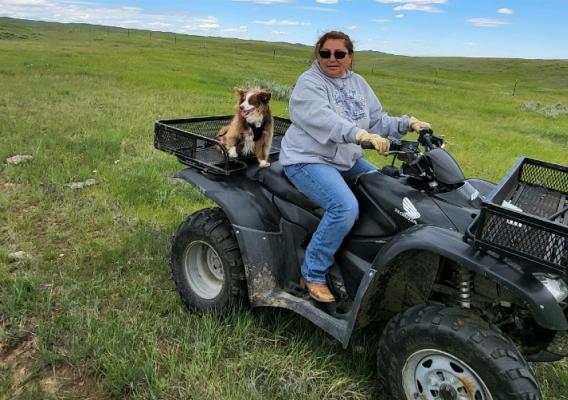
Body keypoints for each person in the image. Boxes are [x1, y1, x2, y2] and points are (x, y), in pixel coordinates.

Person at [279, 31, 431, 303]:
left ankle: (364, 258)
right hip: (308, 158)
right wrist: (359, 135)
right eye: (325, 53)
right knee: (344, 207)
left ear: (350, 57)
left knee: (387, 192)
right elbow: (323, 120)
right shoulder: (309, 83)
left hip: (345, 158)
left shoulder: (358, 83)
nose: (332, 59)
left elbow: (376, 120)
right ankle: (313, 272)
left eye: (340, 54)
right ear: (318, 54)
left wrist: (407, 123)